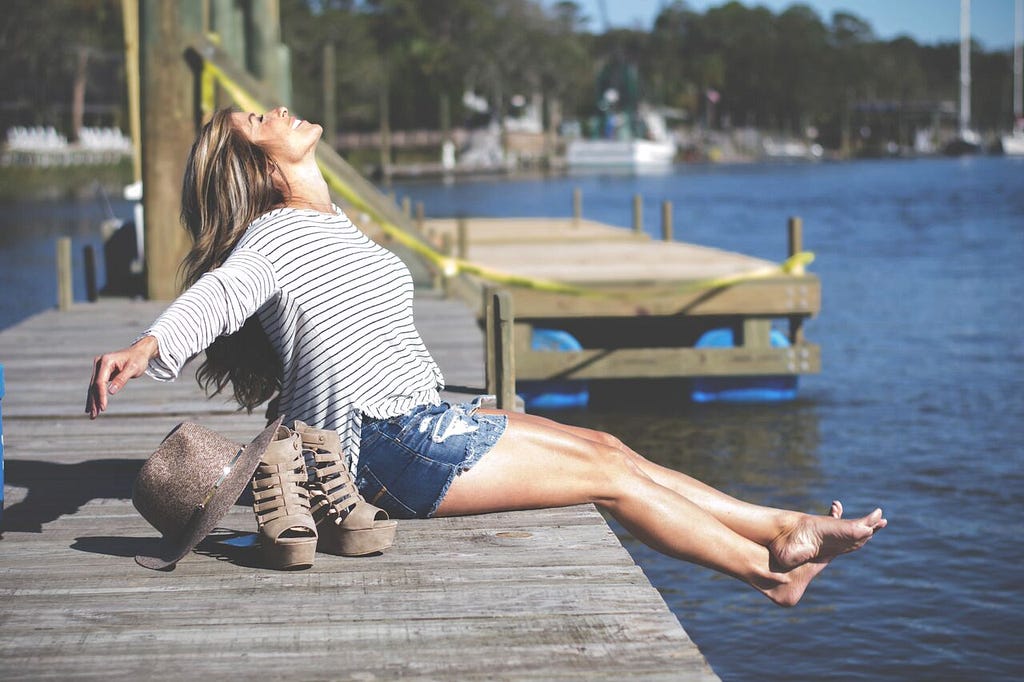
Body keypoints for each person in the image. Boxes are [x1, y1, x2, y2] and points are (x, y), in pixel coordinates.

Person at [85, 107, 886, 606]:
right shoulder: (275, 236)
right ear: (262, 167)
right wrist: (151, 343)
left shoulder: (335, 229)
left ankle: (781, 527)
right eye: (259, 121)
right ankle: (768, 573)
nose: (278, 111)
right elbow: (220, 294)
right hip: (376, 448)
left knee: (610, 448)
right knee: (607, 479)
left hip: (418, 420)